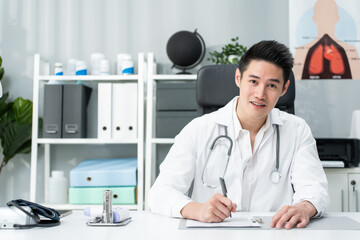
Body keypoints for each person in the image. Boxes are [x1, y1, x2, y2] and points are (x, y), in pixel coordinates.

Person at [148, 40, 329, 230]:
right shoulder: (199, 129)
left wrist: (305, 207)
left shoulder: (297, 130)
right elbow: (160, 192)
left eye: (272, 86)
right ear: (238, 78)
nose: (260, 94)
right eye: (253, 81)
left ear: (284, 89)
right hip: (213, 234)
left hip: (274, 233)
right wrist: (196, 209)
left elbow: (315, 189)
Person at [293, 0, 360, 80]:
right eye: (322, 16)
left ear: (337, 18)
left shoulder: (351, 51)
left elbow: (356, 83)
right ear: (314, 19)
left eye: (329, 16)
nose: (325, 20)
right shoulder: (301, 52)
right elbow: (297, 83)